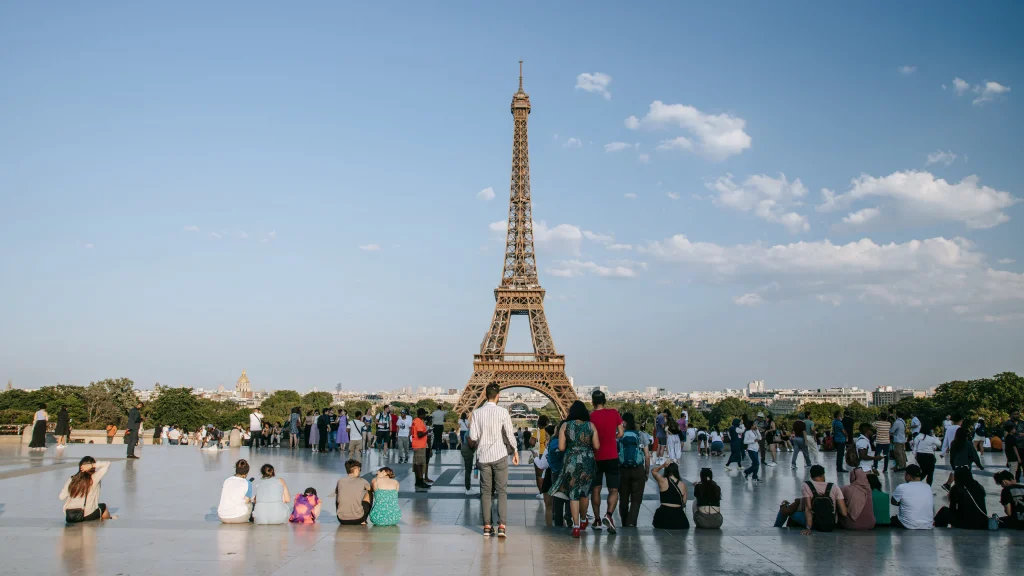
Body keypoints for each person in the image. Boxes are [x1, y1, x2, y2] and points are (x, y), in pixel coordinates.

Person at [469, 384, 519, 538]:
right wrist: (515, 451)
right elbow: (510, 435)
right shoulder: (503, 412)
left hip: (483, 457)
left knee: (485, 492)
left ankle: (486, 526)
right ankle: (502, 526)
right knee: (502, 491)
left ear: (485, 395)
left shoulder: (477, 413)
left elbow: (473, 437)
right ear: (498, 396)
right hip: (500, 455)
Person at [548, 400, 597, 538]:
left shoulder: (565, 426)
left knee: (573, 493)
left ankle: (575, 527)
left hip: (571, 460)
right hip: (587, 460)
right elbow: (597, 445)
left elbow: (562, 448)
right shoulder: (590, 425)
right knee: (585, 492)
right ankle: (583, 519)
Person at [587, 391, 623, 534]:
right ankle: (608, 514)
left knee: (596, 489)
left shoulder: (590, 417)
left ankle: (596, 520)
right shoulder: (614, 413)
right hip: (612, 456)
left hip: (595, 457)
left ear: (592, 402)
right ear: (605, 400)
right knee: (614, 490)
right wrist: (611, 437)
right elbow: (621, 433)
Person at [774, 465, 847, 534]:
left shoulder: (806, 486)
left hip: (814, 523)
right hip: (830, 523)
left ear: (811, 477)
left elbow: (808, 508)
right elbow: (844, 512)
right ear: (823, 475)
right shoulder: (834, 487)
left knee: (784, 510)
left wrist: (808, 528)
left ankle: (776, 528)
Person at [617, 412, 650, 529]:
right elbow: (647, 456)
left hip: (623, 470)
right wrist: (647, 471)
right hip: (638, 469)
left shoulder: (619, 436)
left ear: (624, 422)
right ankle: (631, 521)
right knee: (636, 498)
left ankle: (624, 520)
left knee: (623, 498)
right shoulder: (641, 435)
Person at [60, 456, 114, 523]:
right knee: (103, 507)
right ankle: (109, 520)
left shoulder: (72, 479)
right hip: (85, 515)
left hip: (70, 515)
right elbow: (107, 464)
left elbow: (61, 497)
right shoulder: (94, 478)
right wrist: (92, 465)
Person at [890, 464, 934, 529]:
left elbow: (893, 501)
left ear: (908, 476)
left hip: (908, 525)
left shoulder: (902, 487)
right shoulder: (928, 487)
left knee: (893, 519)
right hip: (927, 524)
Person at [942, 426, 983, 492]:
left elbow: (952, 456)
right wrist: (979, 465)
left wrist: (953, 466)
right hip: (966, 467)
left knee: (958, 484)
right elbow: (974, 455)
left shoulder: (953, 443)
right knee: (967, 484)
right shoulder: (968, 444)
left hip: (957, 467)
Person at [651, 462, 689, 529]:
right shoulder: (683, 485)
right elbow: (684, 502)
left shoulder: (662, 481)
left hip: (663, 518)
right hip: (679, 520)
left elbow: (653, 471)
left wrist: (662, 465)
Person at [337, 459, 373, 525]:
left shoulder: (340, 481)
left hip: (341, 519)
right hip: (358, 518)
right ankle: (364, 520)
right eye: (360, 469)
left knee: (338, 494)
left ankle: (342, 512)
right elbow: (372, 489)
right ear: (356, 469)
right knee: (369, 493)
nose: (360, 471)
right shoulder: (363, 481)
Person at [411, 408, 431, 489]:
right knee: (420, 464)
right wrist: (427, 431)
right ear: (421, 414)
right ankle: (420, 481)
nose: (425, 416)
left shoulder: (414, 420)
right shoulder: (419, 422)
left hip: (415, 444)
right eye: (424, 414)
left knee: (416, 464)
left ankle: (417, 481)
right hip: (420, 445)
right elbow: (419, 434)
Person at [461, 428, 477, 496]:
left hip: (467, 450)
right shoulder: (470, 432)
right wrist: (476, 441)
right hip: (467, 450)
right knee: (468, 470)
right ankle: (468, 489)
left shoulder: (471, 431)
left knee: (468, 469)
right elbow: (471, 444)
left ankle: (468, 487)